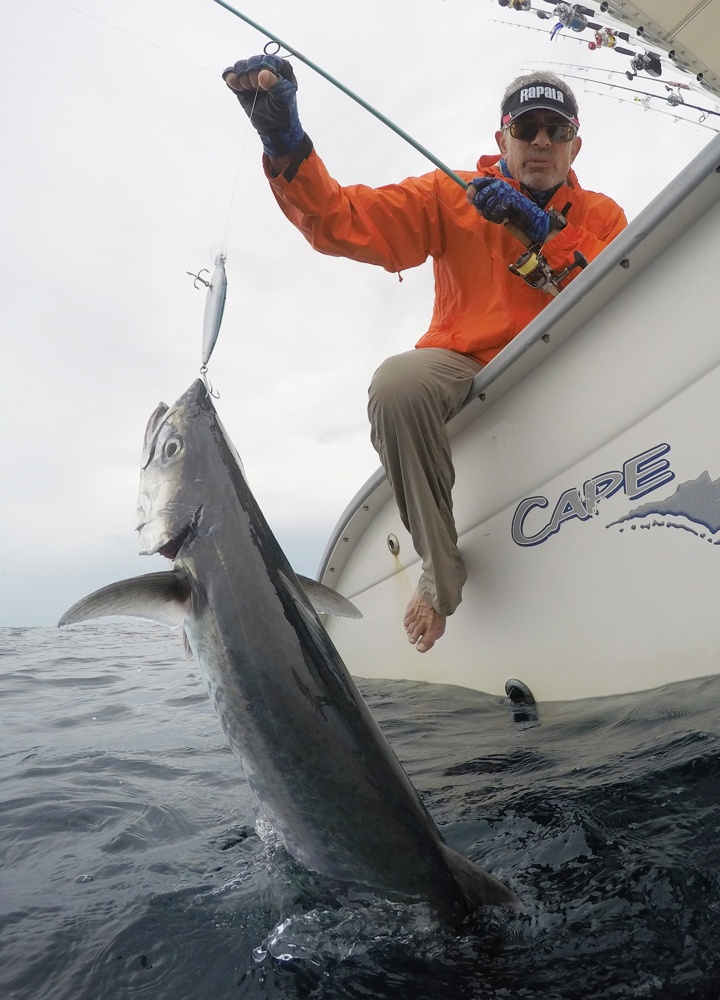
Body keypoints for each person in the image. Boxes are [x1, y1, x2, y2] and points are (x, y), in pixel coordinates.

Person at [223, 58, 627, 653]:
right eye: (526, 127)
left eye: (556, 129)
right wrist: (283, 142)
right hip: (466, 364)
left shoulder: (602, 215)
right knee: (396, 384)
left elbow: (614, 286)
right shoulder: (451, 194)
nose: (541, 140)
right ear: (502, 139)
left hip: (565, 360)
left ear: (575, 145)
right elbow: (341, 219)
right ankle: (441, 571)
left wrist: (540, 229)